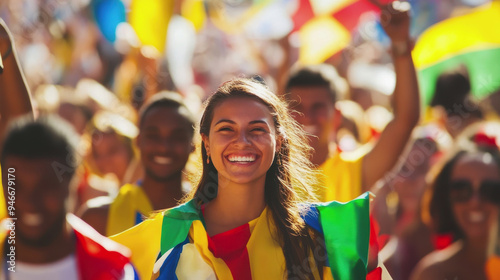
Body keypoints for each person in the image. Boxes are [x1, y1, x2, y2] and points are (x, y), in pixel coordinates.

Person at [111, 77, 385, 280]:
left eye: (256, 129)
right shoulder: (160, 238)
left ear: (279, 139)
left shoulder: (330, 233)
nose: (241, 142)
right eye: (226, 129)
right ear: (206, 143)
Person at [284, 1, 420, 202]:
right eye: (298, 108)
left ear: (337, 115)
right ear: (283, 115)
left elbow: (404, 120)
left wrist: (400, 44)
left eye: (318, 107)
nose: (308, 117)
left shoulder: (353, 171)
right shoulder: (268, 175)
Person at [0, 115, 136, 279]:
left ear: (74, 182)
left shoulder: (114, 271)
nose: (30, 202)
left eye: (46, 187)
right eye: (16, 187)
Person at [79, 91, 196, 236]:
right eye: (153, 136)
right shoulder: (97, 219)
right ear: (138, 141)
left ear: (193, 145)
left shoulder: (208, 217)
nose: (164, 147)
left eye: (177, 137)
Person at [409, 122, 500, 280]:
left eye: (489, 191)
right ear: (445, 197)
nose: (475, 202)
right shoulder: (432, 274)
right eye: (461, 190)